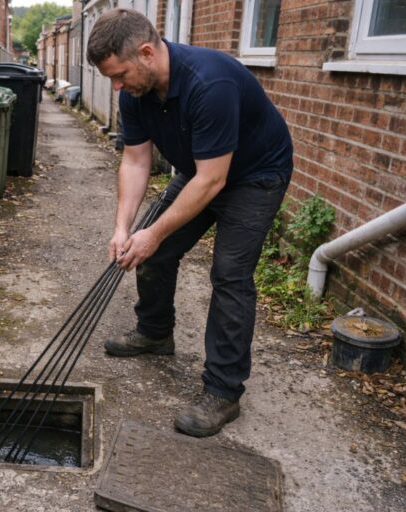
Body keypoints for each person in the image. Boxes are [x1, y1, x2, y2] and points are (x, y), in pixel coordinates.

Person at [87, 8, 293, 437]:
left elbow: (214, 180)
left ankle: (222, 392)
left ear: (146, 52)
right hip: (199, 171)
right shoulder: (135, 92)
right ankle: (155, 334)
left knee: (230, 276)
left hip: (254, 177)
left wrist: (153, 232)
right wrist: (125, 227)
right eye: (111, 78)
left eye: (120, 74)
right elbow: (135, 159)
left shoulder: (209, 83)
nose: (117, 86)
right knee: (151, 250)